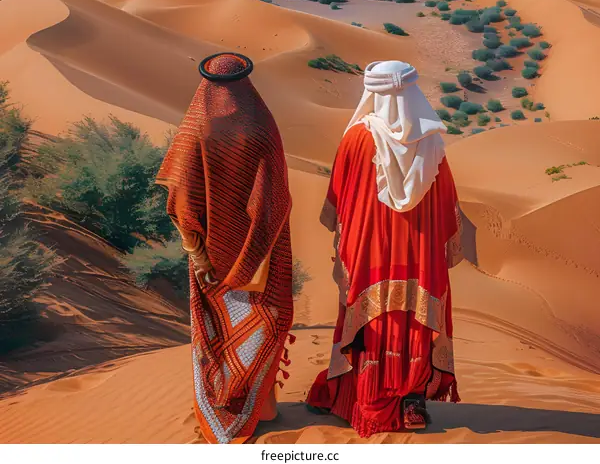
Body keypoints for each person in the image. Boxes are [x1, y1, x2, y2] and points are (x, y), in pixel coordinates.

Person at [307, 60, 464, 436]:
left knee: (369, 318)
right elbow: (446, 207)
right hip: (419, 256)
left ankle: (361, 394)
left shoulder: (356, 139)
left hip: (368, 253)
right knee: (414, 318)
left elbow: (339, 200)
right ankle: (411, 401)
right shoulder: (432, 141)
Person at [156, 52, 293, 444]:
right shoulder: (262, 126)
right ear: (247, 82)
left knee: (214, 330)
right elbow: (273, 200)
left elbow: (180, 196)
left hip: (207, 254)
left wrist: (195, 249)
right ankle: (262, 408)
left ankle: (218, 401)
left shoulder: (195, 128)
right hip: (261, 253)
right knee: (266, 320)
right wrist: (255, 250)